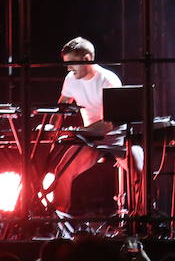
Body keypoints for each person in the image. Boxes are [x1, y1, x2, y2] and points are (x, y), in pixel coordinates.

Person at [51, 37, 144, 215]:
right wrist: (52, 129)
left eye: (71, 63)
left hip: (117, 138)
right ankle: (59, 219)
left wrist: (81, 132)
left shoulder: (108, 79)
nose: (68, 68)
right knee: (62, 171)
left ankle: (141, 218)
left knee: (141, 171)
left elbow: (110, 122)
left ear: (86, 59)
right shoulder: (71, 79)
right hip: (89, 139)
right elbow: (62, 106)